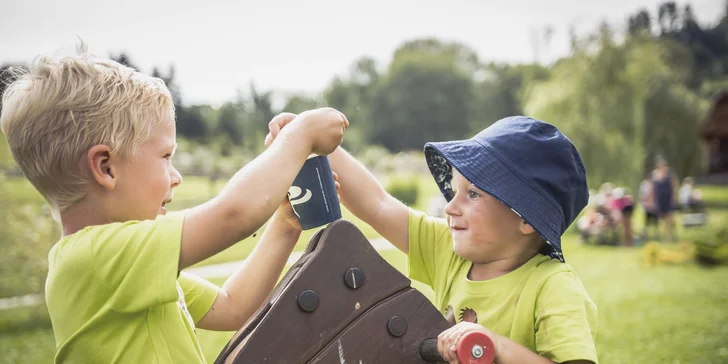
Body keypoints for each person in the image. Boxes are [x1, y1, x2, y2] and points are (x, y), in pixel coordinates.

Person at [0, 49, 348, 363]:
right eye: (165, 156)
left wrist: (283, 225)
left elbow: (231, 307)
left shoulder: (127, 266)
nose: (176, 175)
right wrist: (299, 136)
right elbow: (233, 214)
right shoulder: (94, 259)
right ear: (105, 167)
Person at [267, 115, 598, 363]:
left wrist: (496, 346)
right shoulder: (451, 253)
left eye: (473, 195)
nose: (451, 208)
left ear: (525, 217)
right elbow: (379, 205)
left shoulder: (553, 286)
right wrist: (306, 136)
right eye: (454, 192)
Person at [651, 156, 679, 242]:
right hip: (659, 200)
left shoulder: (670, 175)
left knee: (669, 219)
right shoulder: (655, 175)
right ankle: (665, 237)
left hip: (668, 199)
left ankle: (671, 236)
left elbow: (675, 187)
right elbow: (653, 189)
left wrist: (674, 198)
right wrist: (652, 200)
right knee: (661, 219)